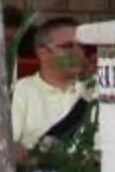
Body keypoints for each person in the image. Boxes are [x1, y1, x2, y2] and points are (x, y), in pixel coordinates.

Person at [11, 15, 94, 163]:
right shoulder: (20, 92)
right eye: (68, 46)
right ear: (43, 53)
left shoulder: (98, 90)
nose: (78, 52)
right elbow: (9, 144)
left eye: (81, 46)